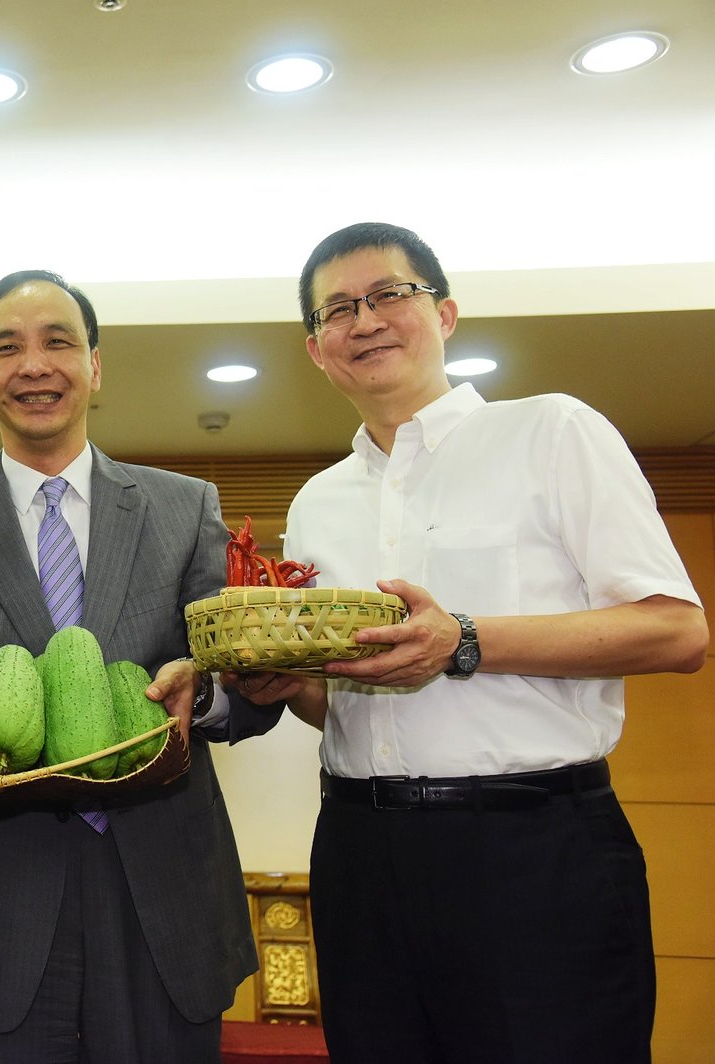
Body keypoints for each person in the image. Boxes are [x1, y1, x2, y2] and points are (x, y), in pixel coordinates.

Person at [242, 221, 708, 1063]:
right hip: (358, 851)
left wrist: (464, 639)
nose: (366, 319)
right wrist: (292, 688)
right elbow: (351, 703)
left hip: (531, 850)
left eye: (390, 294)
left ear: (445, 313)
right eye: (338, 309)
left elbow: (677, 630)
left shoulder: (553, 433)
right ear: (316, 349)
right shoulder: (318, 501)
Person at [0, 270, 283, 1062]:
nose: (35, 364)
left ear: (96, 366)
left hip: (163, 897)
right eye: (7, 348)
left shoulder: (185, 507)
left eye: (58, 341)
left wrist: (205, 699)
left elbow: (246, 680)